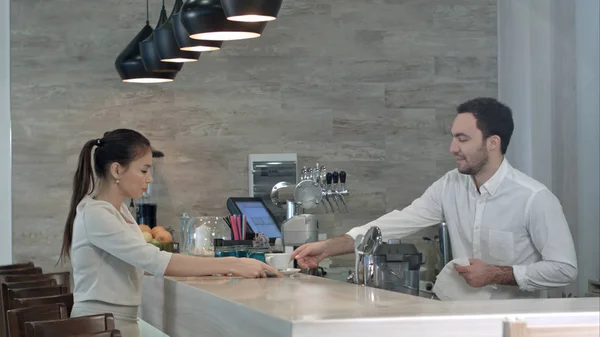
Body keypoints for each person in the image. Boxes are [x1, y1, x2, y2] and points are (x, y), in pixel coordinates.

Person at [291, 97, 578, 299]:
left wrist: (498, 274)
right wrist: (330, 247)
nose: (453, 147)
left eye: (463, 139)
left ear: (493, 143)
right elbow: (398, 222)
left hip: (505, 325)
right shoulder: (450, 185)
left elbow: (564, 269)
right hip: (450, 310)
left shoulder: (535, 198)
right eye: (453, 137)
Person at [59, 129, 281, 337]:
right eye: (144, 170)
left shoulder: (120, 211)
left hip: (117, 322)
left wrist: (216, 267)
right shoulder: (96, 213)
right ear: (117, 170)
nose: (150, 179)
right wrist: (233, 264)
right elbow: (154, 260)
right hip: (99, 326)